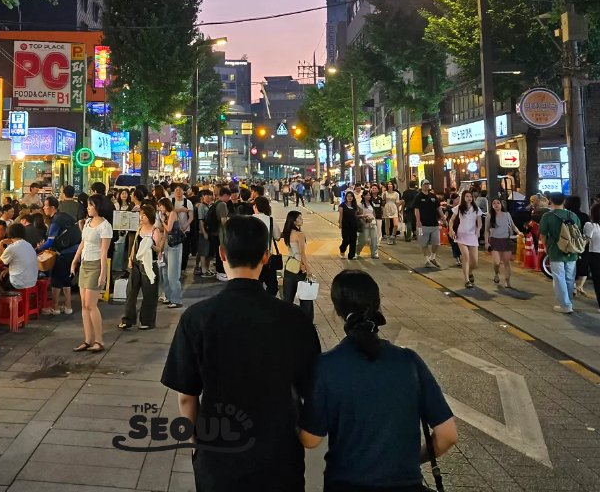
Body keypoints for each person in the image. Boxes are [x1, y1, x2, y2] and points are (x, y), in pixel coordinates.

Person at [162, 216, 321, 492]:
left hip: (218, 459)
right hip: (279, 459)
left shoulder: (197, 318)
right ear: (265, 257)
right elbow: (314, 391)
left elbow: (187, 396)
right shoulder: (296, 320)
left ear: (222, 253)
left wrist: (196, 443)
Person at [299, 270, 458, 489]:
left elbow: (311, 439)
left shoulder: (326, 366)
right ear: (377, 305)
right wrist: (413, 460)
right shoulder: (409, 362)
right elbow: (447, 435)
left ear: (337, 310)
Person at [70, 195, 112, 353]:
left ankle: (99, 340)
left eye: (90, 205)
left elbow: (104, 252)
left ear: (98, 207)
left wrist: (103, 273)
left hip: (95, 265)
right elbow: (83, 243)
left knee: (91, 305)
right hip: (85, 264)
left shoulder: (105, 226)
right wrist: (75, 261)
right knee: (83, 305)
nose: (87, 207)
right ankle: (88, 339)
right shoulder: (88, 222)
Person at [118, 204, 159, 330]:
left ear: (150, 216)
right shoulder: (139, 228)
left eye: (144, 215)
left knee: (149, 293)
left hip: (149, 264)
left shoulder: (155, 231)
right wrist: (130, 259)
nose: (141, 217)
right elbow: (134, 245)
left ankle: (147, 321)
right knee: (131, 291)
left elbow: (159, 249)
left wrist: (150, 244)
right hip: (136, 263)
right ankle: (128, 319)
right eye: (141, 215)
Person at [540, 193, 581, 313]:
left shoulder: (547, 216)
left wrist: (545, 246)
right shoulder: (572, 215)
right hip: (572, 250)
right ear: (564, 201)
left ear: (550, 201)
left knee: (559, 278)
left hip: (555, 250)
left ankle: (565, 305)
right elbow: (578, 230)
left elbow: (543, 234)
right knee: (570, 277)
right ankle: (568, 302)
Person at [40, 195, 81, 315]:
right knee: (66, 279)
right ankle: (68, 306)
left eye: (46, 206)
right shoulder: (66, 216)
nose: (44, 208)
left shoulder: (56, 221)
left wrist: (37, 249)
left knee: (56, 280)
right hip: (72, 251)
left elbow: (50, 241)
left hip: (61, 254)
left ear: (52, 207)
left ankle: (56, 307)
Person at [281, 210, 313, 319]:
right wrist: (308, 269)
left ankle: (286, 319)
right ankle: (306, 320)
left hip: (289, 266)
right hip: (299, 267)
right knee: (305, 297)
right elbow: (302, 253)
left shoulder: (286, 233)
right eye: (299, 218)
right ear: (294, 221)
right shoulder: (300, 234)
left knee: (288, 297)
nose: (302, 219)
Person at [485, 198, 521, 289]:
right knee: (497, 262)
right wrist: (486, 242)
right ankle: (496, 273)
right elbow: (486, 230)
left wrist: (518, 232)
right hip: (494, 240)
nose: (496, 205)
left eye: (498, 203)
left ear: (501, 205)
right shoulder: (489, 216)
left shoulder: (507, 214)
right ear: (492, 206)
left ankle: (507, 281)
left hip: (505, 240)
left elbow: (513, 225)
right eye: (494, 203)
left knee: (506, 262)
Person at [449, 191, 482, 288]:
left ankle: (470, 271)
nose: (469, 198)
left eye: (470, 196)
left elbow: (479, 222)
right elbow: (451, 220)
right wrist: (451, 229)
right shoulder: (459, 208)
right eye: (467, 196)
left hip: (472, 235)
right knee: (466, 257)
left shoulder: (476, 208)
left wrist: (478, 230)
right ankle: (467, 280)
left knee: (475, 262)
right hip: (461, 235)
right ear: (463, 197)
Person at [158, 197, 185, 309]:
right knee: (165, 273)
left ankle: (176, 299)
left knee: (172, 274)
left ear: (166, 205)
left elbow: (168, 229)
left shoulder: (173, 214)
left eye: (161, 206)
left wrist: (161, 221)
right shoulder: (165, 216)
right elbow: (165, 234)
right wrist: (160, 249)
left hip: (175, 246)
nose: (160, 208)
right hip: (167, 245)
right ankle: (168, 296)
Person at [253, 195, 279, 296]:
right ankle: (267, 301)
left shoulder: (249, 219)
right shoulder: (270, 220)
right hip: (267, 258)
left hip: (252, 259)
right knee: (272, 286)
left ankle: (257, 301)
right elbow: (277, 236)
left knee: (255, 285)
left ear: (255, 206)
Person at [0, 223, 39, 290]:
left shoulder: (12, 247)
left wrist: (1, 244)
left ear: (9, 233)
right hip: (32, 281)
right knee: (5, 274)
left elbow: (0, 261)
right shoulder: (28, 245)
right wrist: (9, 269)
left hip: (18, 283)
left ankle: (4, 295)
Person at [566, 195, 592, 298]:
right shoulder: (584, 216)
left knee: (570, 267)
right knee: (583, 266)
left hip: (569, 244)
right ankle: (580, 286)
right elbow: (588, 232)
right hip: (582, 244)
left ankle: (573, 287)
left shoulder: (566, 216)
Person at [414, 181, 443, 268]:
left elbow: (438, 207)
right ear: (421, 186)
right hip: (423, 224)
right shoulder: (418, 196)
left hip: (434, 223)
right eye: (424, 185)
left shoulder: (433, 196)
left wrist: (443, 217)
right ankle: (426, 259)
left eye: (427, 184)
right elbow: (416, 209)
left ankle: (433, 257)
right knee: (424, 243)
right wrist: (418, 221)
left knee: (436, 242)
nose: (426, 186)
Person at [196, 189, 215, 278]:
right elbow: (201, 220)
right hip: (203, 232)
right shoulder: (201, 206)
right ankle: (203, 270)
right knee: (203, 252)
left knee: (208, 251)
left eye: (210, 195)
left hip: (209, 231)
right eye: (207, 195)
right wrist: (203, 232)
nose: (209, 197)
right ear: (203, 197)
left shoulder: (209, 206)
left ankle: (206, 268)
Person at [338, 189, 360, 259]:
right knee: (346, 240)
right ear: (346, 197)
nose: (349, 198)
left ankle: (351, 255)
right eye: (348, 196)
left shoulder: (355, 206)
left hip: (354, 224)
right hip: (345, 225)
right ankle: (342, 249)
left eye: (351, 196)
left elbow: (356, 215)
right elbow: (341, 215)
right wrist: (340, 223)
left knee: (353, 240)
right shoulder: (342, 205)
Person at [382, 180, 401, 245]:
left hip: (394, 208)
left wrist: (398, 211)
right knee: (387, 224)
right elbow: (383, 200)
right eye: (388, 184)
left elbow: (397, 203)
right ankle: (388, 236)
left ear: (393, 185)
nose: (389, 185)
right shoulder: (385, 193)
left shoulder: (396, 194)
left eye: (391, 184)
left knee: (396, 224)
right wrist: (383, 193)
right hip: (387, 207)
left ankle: (393, 235)